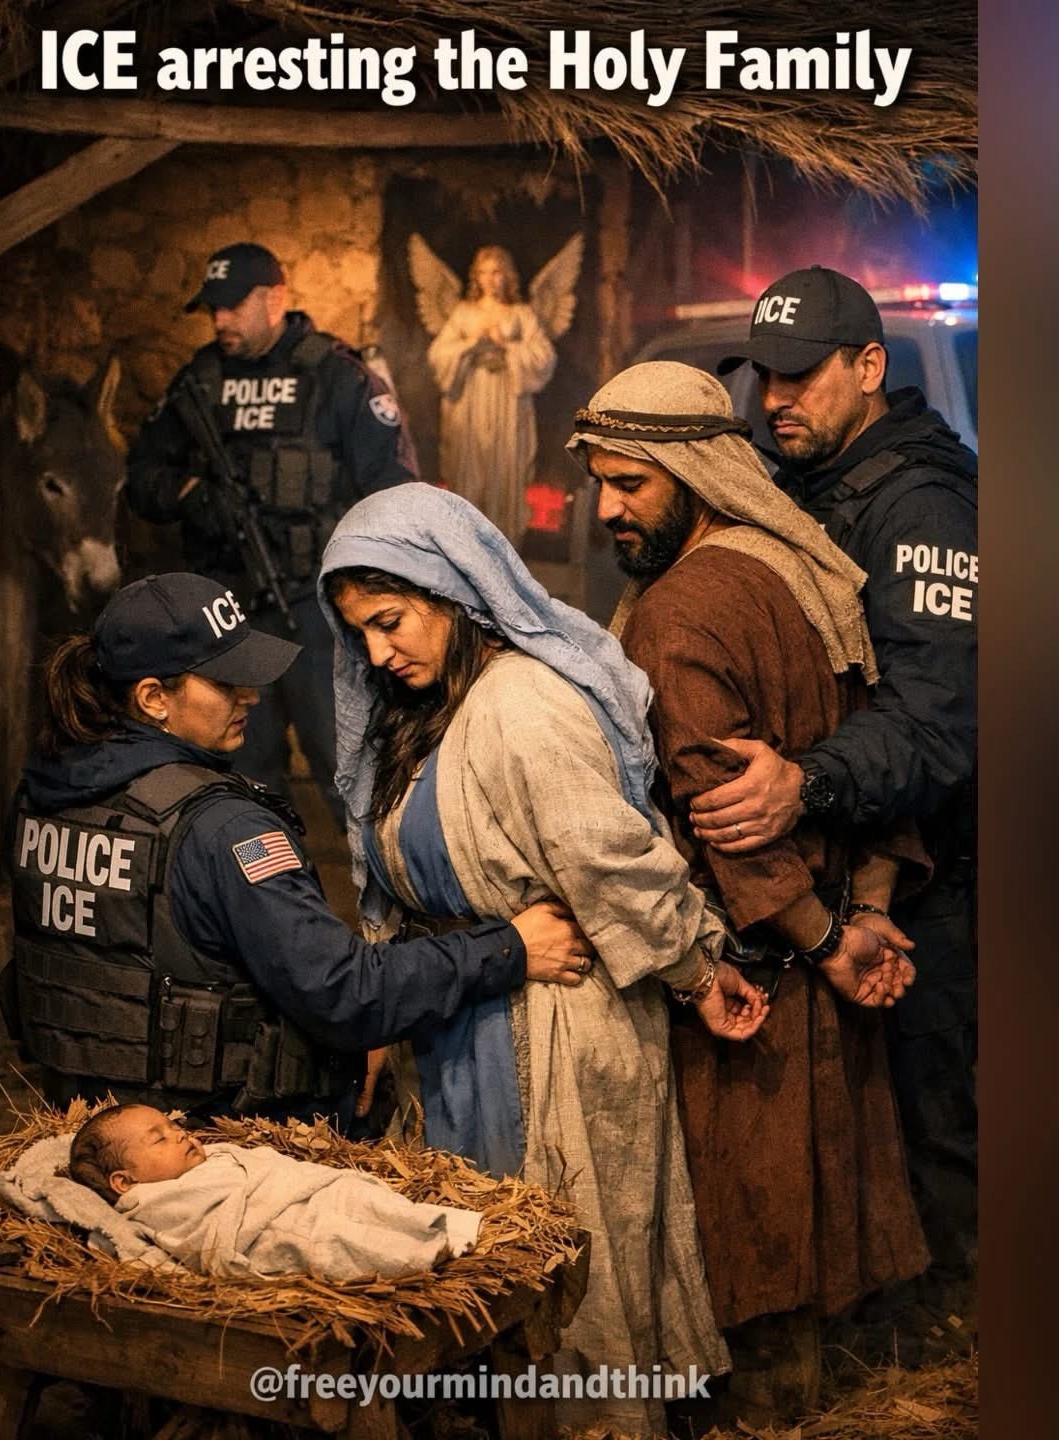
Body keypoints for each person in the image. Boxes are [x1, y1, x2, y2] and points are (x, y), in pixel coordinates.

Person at [318, 484, 772, 1439]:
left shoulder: (523, 704)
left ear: (450, 591)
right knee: (475, 1267)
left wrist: (696, 972)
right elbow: (392, 882)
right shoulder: (425, 711)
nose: (377, 654)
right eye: (360, 634)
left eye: (390, 622)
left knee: (569, 1266)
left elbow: (611, 861)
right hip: (461, 1013)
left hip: (552, 1021)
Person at [570, 362, 930, 1418]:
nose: (607, 509)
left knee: (751, 1232)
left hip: (753, 984)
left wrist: (822, 939)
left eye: (630, 483)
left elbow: (722, 819)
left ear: (692, 473)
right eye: (599, 483)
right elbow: (877, 758)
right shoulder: (804, 566)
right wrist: (868, 910)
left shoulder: (681, 611)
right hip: (829, 945)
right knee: (814, 1234)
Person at [0, 572, 595, 1132]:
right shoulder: (223, 828)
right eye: (225, 682)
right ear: (154, 697)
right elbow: (346, 993)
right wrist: (510, 949)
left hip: (90, 1130)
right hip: (214, 1143)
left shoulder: (43, 795)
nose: (251, 696)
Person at [696, 267, 978, 1334]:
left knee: (934, 1115)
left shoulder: (922, 503)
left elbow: (937, 720)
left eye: (801, 377)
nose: (775, 399)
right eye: (765, 377)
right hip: (857, 867)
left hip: (940, 870)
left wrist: (805, 781)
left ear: (868, 367)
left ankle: (957, 1354)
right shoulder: (810, 482)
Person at [125, 242, 419, 819]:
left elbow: (396, 492)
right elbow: (140, 476)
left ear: (275, 298)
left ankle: (381, 879)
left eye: (233, 306)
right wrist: (190, 494)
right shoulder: (200, 381)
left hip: (319, 611)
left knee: (350, 772)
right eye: (213, 309)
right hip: (228, 617)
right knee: (241, 780)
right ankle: (264, 875)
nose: (220, 320)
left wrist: (372, 596)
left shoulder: (337, 377)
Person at [67, 1104, 481, 1282]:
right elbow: (200, 1236)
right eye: (159, 1139)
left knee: (351, 1192)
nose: (179, 1136)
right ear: (125, 1182)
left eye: (175, 1127)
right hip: (260, 1228)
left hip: (292, 1191)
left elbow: (270, 1166)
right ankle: (421, 1252)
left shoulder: (215, 1155)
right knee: (322, 1238)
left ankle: (434, 1224)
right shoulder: (152, 1204)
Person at [426, 246, 556, 544]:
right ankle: (466, 540)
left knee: (505, 465)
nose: (490, 279)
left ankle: (503, 540)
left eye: (496, 272)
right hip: (471, 398)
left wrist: (507, 346)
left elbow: (544, 356)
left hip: (506, 399)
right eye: (483, 272)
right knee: (469, 466)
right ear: (476, 276)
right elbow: (437, 354)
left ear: (507, 276)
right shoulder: (464, 312)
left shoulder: (521, 313)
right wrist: (469, 345)